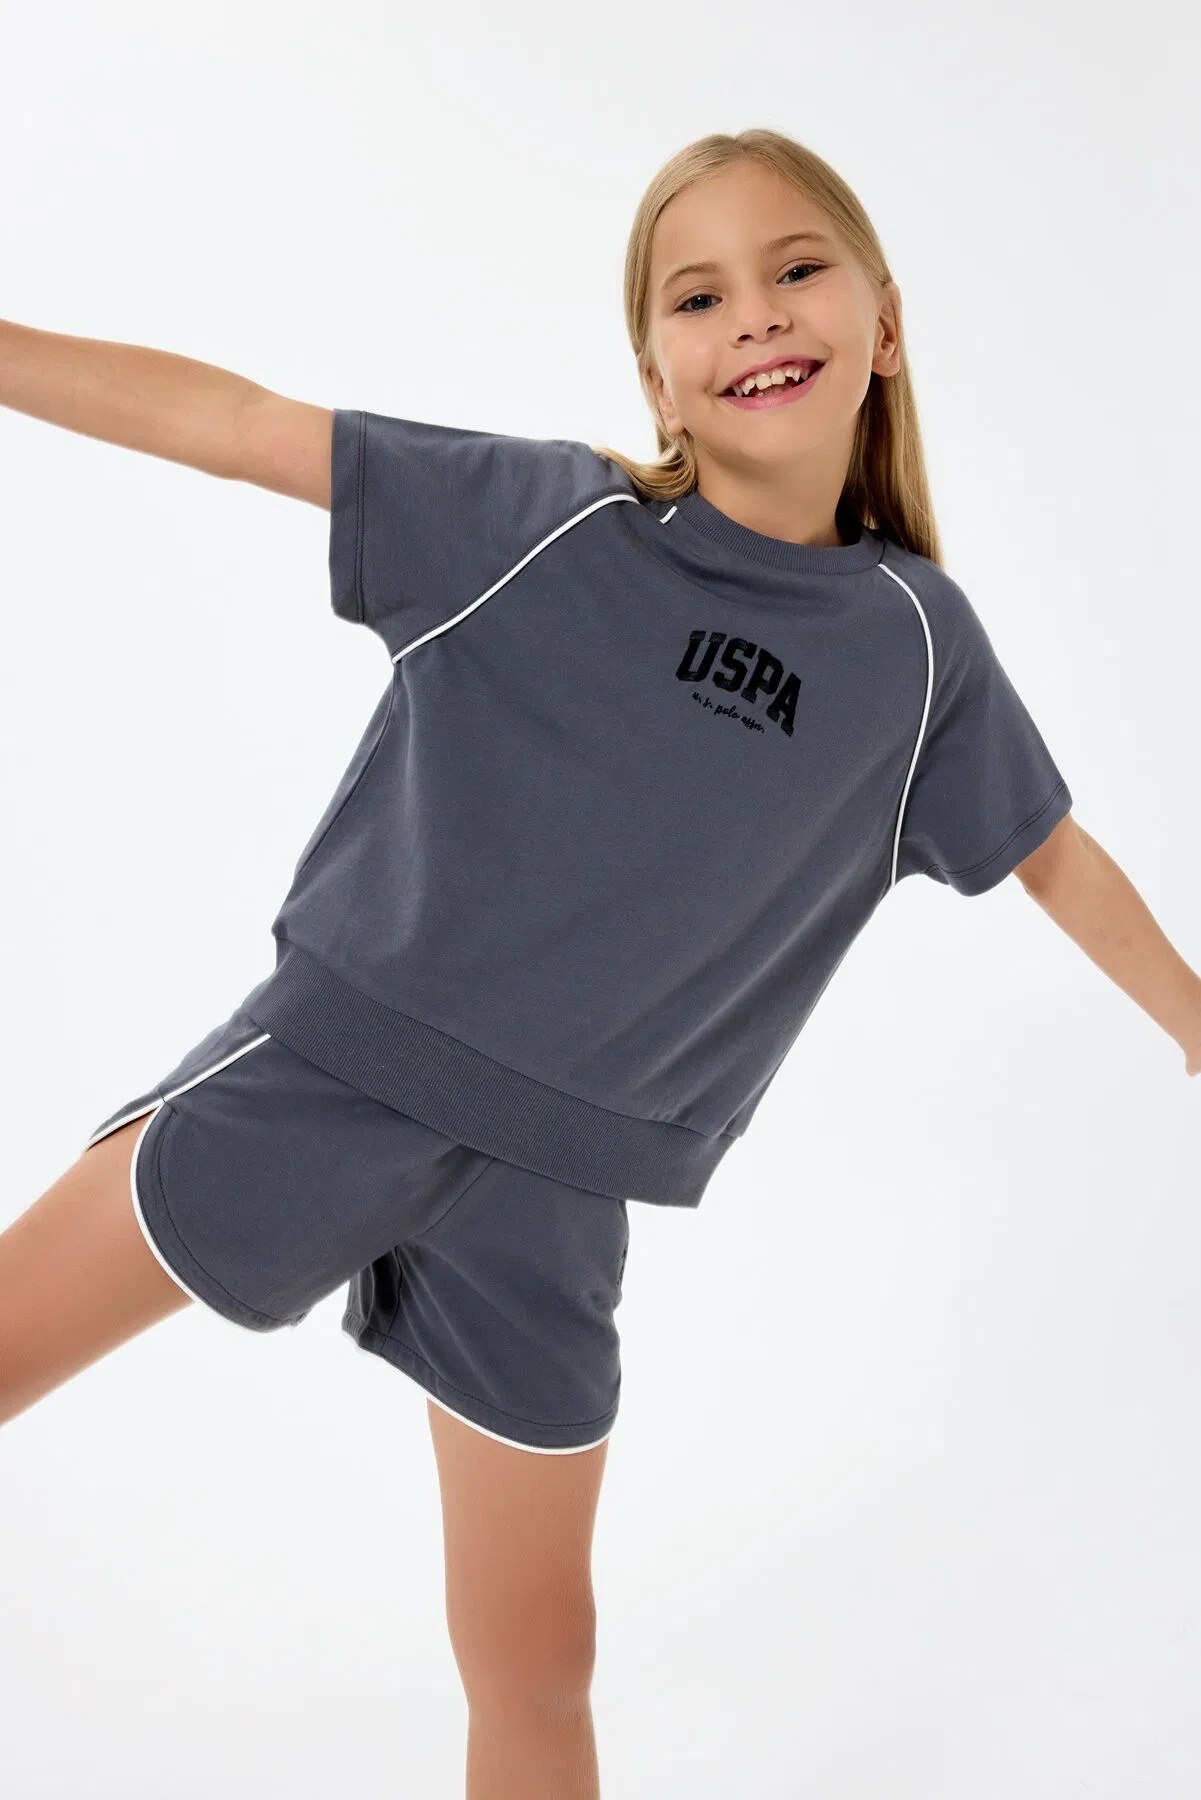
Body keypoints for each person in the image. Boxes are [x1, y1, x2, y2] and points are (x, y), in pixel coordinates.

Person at [3, 125, 1199, 1800]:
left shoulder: (918, 649)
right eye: (697, 296)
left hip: (556, 1194)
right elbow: (242, 422)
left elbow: (1050, 854)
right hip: (332, 1083)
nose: (753, 315)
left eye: (796, 270)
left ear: (883, 323)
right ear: (656, 376)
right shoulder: (548, 519)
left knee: (538, 1663)